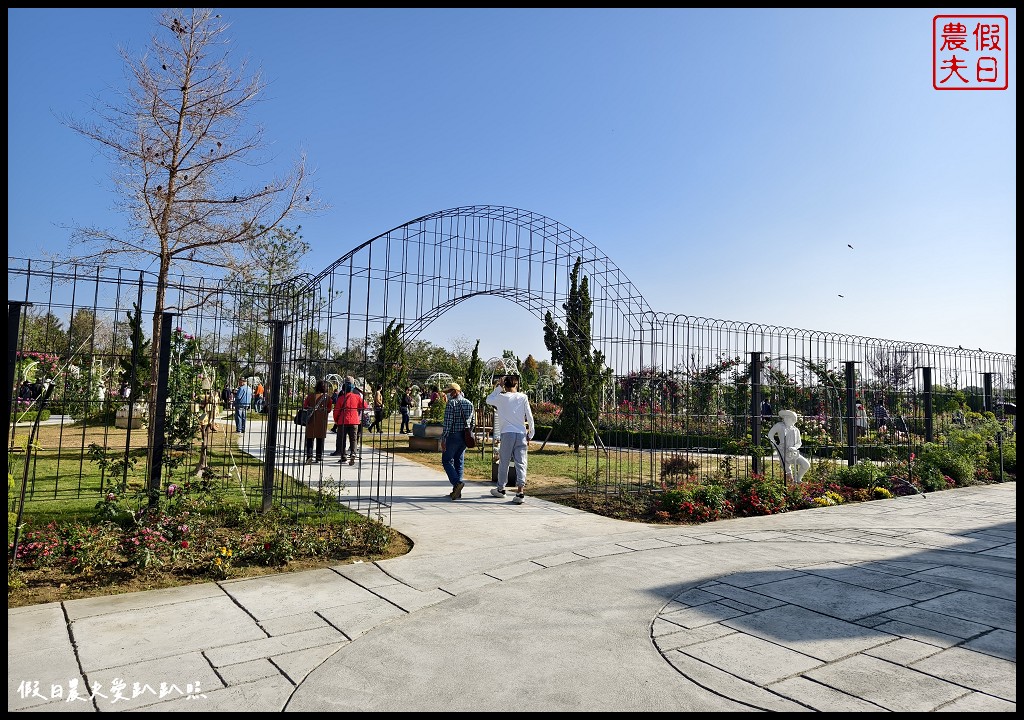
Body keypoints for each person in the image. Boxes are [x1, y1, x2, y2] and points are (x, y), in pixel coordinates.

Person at [486, 375, 536, 505]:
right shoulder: (523, 397)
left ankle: (501, 488)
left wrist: (498, 387)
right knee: (521, 462)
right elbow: (529, 416)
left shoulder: (501, 397)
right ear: (516, 385)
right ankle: (520, 491)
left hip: (507, 433)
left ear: (505, 385)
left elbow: (488, 400)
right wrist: (531, 433)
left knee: (504, 461)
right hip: (521, 433)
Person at [440, 382, 475, 500]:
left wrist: (443, 438)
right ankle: (457, 492)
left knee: (446, 460)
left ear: (455, 391)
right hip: (465, 437)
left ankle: (456, 483)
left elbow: (448, 424)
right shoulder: (469, 403)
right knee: (459, 462)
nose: (447, 395)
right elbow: (473, 423)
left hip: (453, 436)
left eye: (448, 392)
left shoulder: (452, 404)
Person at [767, 409, 810, 484]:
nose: (785, 419)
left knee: (806, 464)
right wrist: (775, 445)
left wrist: (794, 448)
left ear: (793, 419)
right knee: (788, 472)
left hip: (793, 452)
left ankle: (798, 479)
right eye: (784, 417)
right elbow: (770, 434)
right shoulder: (779, 425)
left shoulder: (796, 430)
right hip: (783, 451)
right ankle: (790, 485)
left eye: (788, 417)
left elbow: (799, 443)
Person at [332, 379, 368, 465]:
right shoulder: (357, 397)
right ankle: (353, 453)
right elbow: (365, 405)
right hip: (354, 420)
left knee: (342, 439)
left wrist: (336, 420)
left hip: (343, 421)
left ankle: (343, 456)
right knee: (353, 439)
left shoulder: (341, 398)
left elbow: (336, 411)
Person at [303, 380, 331, 463]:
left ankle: (309, 456)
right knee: (320, 439)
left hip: (311, 420)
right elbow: (329, 409)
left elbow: (305, 406)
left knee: (310, 439)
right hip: (322, 421)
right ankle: (319, 456)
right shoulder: (327, 398)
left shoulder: (310, 396)